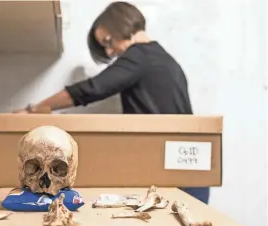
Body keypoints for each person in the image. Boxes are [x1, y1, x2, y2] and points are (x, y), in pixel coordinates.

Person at [13, 1, 210, 204]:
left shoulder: (140, 56)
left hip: (173, 173)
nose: (109, 52)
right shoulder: (165, 60)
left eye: (107, 41)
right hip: (189, 168)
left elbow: (92, 89)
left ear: (122, 23)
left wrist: (34, 109)